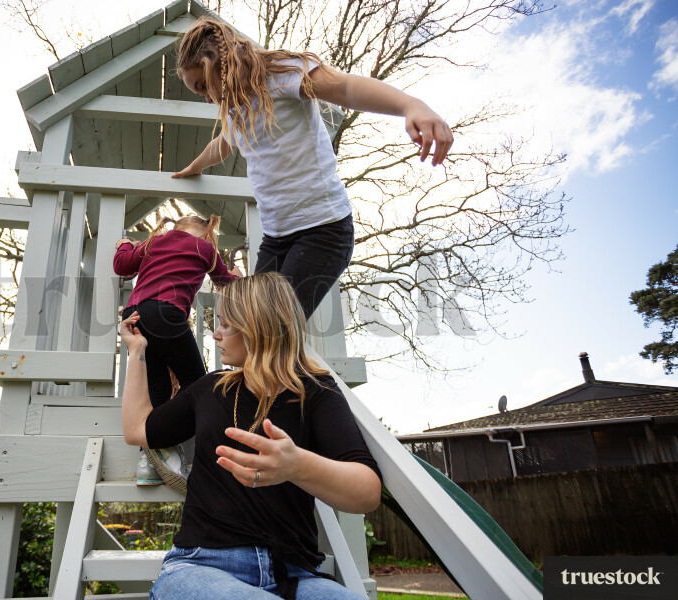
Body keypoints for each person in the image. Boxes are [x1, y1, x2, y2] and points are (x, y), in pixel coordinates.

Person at [120, 272, 382, 600]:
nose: (216, 335)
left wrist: (299, 467)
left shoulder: (317, 392)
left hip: (294, 575)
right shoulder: (209, 389)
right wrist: (136, 351)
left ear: (258, 327)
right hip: (202, 568)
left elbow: (368, 493)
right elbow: (138, 430)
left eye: (226, 324)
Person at [172, 18, 453, 319]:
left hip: (321, 230)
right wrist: (193, 166)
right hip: (276, 238)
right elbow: (222, 145)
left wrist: (410, 106)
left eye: (202, 86)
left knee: (275, 330)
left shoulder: (281, 74)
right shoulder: (236, 109)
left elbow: (345, 88)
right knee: (250, 325)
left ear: (215, 62)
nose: (205, 97)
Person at [114, 214, 240, 490]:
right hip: (167, 313)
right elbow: (223, 281)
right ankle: (175, 445)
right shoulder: (205, 249)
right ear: (206, 235)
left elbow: (122, 266)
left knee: (156, 391)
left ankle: (149, 463)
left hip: (135, 314)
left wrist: (124, 245)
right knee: (199, 384)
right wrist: (237, 278)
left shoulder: (152, 242)